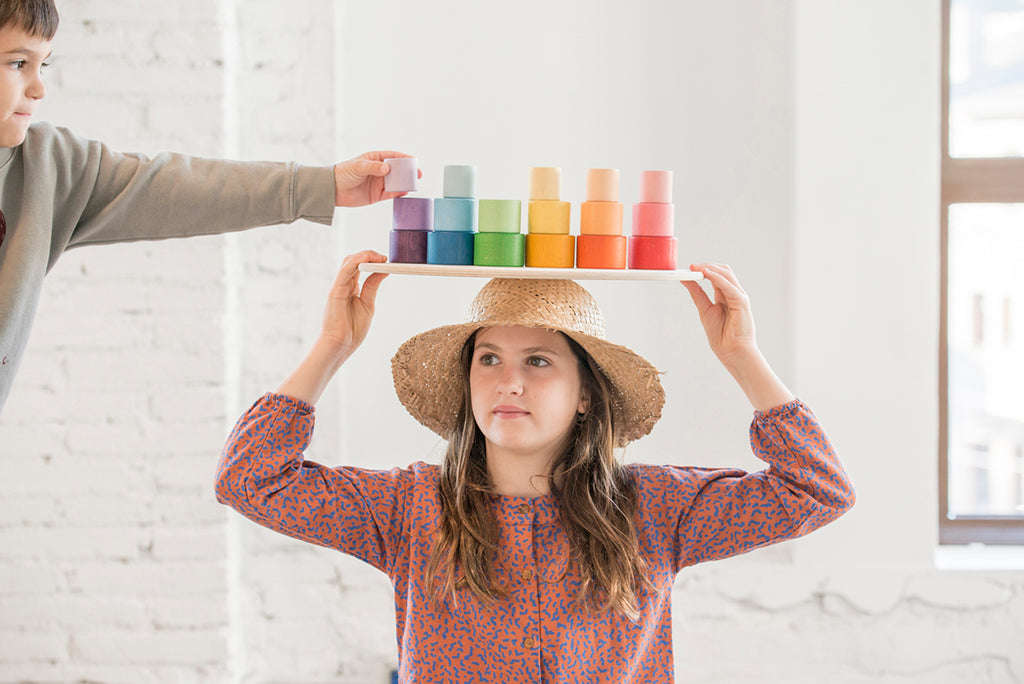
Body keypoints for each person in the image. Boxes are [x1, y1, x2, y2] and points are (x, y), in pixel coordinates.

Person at [216, 250, 856, 683]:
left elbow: (818, 489)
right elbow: (248, 478)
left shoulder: (655, 508)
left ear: (586, 395)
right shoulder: (408, 507)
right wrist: (332, 346)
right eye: (488, 358)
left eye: (539, 361)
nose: (507, 382)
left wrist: (742, 356)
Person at [0, 0, 416, 412]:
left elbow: (172, 187)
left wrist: (324, 186)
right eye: (18, 63)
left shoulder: (47, 167)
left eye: (44, 65)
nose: (39, 88)